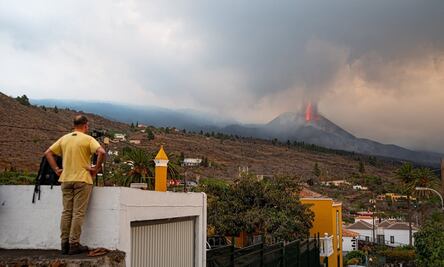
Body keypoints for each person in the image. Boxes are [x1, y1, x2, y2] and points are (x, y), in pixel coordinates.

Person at [45, 115, 106, 255]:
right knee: (78, 212)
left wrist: (56, 170)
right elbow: (101, 152)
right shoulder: (88, 139)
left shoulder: (64, 139)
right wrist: (96, 168)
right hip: (82, 179)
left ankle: (64, 245)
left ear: (74, 125)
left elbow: (48, 153)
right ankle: (74, 244)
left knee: (66, 212)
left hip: (66, 179)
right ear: (85, 125)